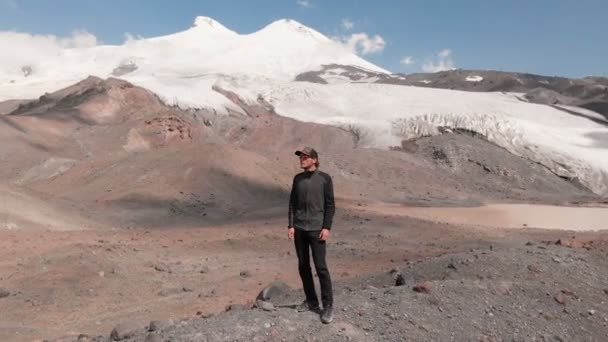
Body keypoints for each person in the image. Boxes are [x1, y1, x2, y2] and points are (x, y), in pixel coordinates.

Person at [288, 147, 335, 324]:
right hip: (300, 228)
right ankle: (311, 301)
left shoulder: (324, 178)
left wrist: (327, 227)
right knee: (303, 266)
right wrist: (291, 225)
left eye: (305, 157)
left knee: (321, 267)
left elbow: (330, 205)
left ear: (314, 160)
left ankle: (328, 305)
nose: (302, 159)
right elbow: (292, 203)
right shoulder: (297, 179)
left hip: (317, 229)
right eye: (300, 156)